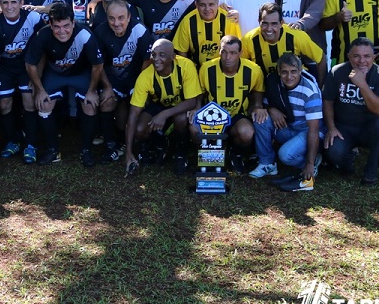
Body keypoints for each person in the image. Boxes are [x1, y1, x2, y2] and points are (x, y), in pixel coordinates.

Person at [25, 1, 103, 166]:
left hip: (80, 73)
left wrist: (92, 90)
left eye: (66, 26)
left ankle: (86, 150)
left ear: (74, 22)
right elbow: (30, 63)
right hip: (55, 73)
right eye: (57, 27)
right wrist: (39, 89)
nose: (62, 31)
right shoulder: (43, 34)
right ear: (50, 24)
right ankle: (52, 150)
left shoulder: (84, 34)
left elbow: (98, 65)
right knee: (43, 103)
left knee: (90, 104)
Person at [0, 0, 45, 160]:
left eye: (14, 2)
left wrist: (36, 76)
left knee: (29, 101)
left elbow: (43, 50)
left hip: (27, 67)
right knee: (4, 104)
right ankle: (12, 142)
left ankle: (31, 144)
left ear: (22, 3)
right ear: (0, 4)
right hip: (4, 68)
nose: (10, 7)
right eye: (5, 2)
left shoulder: (33, 17)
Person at [124, 39, 202, 176]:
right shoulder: (145, 76)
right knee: (140, 128)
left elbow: (191, 101)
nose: (156, 59)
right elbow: (133, 114)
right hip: (159, 105)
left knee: (181, 118)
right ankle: (159, 144)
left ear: (173, 57)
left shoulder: (186, 66)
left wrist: (165, 114)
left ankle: (180, 153)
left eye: (162, 55)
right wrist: (128, 152)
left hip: (181, 106)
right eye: (154, 55)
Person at [322, 37, 379, 186]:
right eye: (356, 56)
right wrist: (331, 127)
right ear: (349, 56)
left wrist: (362, 85)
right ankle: (348, 159)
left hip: (369, 128)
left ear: (374, 57)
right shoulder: (337, 72)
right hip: (344, 128)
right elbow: (327, 101)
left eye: (367, 56)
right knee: (333, 152)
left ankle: (371, 172)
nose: (362, 61)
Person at [95, 0, 155, 163]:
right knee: (106, 101)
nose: (116, 23)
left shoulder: (140, 31)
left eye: (121, 18)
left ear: (129, 17)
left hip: (136, 78)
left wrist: (139, 87)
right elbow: (98, 64)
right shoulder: (100, 31)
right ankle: (110, 146)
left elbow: (147, 60)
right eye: (112, 18)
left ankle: (144, 146)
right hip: (112, 79)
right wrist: (107, 87)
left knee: (138, 105)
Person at [252, 53, 323, 191]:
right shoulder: (274, 82)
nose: (289, 77)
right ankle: (267, 163)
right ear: (279, 72)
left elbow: (314, 129)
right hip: (288, 127)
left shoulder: (309, 91)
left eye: (293, 72)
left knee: (285, 155)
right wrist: (271, 109)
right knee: (260, 117)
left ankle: (312, 162)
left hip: (307, 131)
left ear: (300, 70)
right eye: (284, 72)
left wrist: (308, 163)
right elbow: (266, 104)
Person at [197, 35, 265, 172]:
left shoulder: (253, 70)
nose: (228, 57)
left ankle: (235, 153)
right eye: (224, 52)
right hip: (212, 118)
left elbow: (258, 90)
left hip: (237, 116)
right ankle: (210, 155)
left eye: (233, 53)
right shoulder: (206, 69)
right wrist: (197, 107)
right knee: (193, 129)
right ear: (219, 51)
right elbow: (200, 93)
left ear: (240, 53)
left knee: (246, 132)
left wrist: (257, 105)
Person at [242, 2, 326, 84]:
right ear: (259, 21)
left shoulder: (296, 36)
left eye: (274, 24)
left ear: (281, 23)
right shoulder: (249, 39)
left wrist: (321, 86)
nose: (269, 29)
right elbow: (239, 65)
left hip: (296, 83)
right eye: (265, 24)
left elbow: (320, 57)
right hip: (267, 86)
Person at [173, 0, 240, 67]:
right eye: (202, 5)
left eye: (211, 4)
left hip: (223, 69)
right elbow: (182, 51)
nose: (207, 9)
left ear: (217, 3)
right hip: (197, 69)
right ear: (196, 5)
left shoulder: (228, 19)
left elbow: (236, 49)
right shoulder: (188, 21)